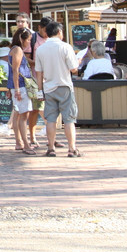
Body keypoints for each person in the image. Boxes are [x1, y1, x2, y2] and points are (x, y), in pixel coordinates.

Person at [33, 21, 82, 157]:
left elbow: (39, 72)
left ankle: (50, 148)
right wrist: (78, 63)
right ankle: (72, 149)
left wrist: (39, 90)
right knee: (69, 119)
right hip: (65, 85)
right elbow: (73, 69)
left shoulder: (41, 49)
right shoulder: (66, 47)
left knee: (50, 119)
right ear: (59, 32)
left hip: (48, 87)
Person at [8, 27, 37, 155]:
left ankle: (19, 142)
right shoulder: (18, 50)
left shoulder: (13, 50)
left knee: (18, 114)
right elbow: (15, 70)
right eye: (29, 40)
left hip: (16, 86)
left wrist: (11, 88)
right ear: (22, 39)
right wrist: (17, 89)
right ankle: (25, 144)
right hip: (21, 86)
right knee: (24, 116)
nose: (29, 43)